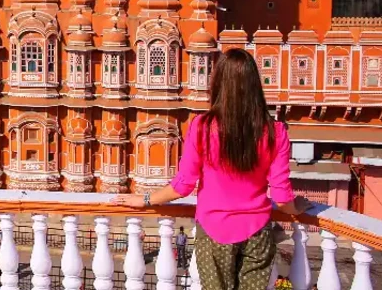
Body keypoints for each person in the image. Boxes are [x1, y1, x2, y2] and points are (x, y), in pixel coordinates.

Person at [114, 48, 310, 290]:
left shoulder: (203, 128)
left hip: (215, 230)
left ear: (218, 83)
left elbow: (184, 185)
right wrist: (298, 207)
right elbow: (282, 197)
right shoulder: (274, 131)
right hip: (257, 232)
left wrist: (145, 199)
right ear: (254, 85)